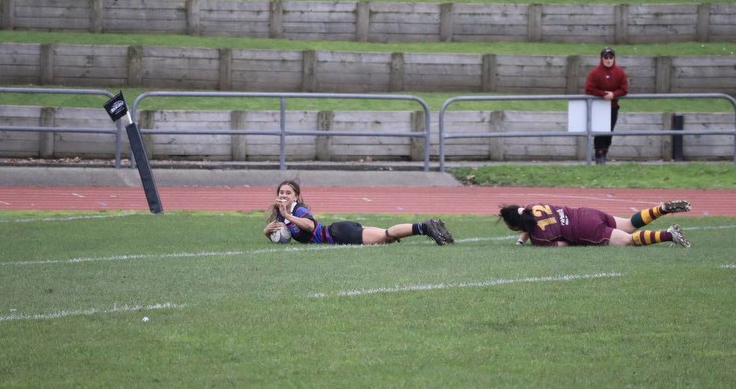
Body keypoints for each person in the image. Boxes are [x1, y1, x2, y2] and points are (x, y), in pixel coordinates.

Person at [263, 180, 454, 245]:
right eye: (281, 192)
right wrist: (267, 231)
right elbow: (282, 235)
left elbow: (310, 226)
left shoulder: (298, 210)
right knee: (385, 238)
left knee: (386, 235)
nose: (284, 195)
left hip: (339, 234)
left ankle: (425, 227)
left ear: (296, 196)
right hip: (340, 231)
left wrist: (288, 216)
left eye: (288, 193)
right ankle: (430, 226)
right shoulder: (282, 213)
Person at [498, 200, 691, 247]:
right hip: (587, 213)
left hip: (584, 229)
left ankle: (670, 234)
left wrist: (573, 241)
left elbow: (562, 245)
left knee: (627, 240)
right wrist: (521, 240)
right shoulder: (532, 206)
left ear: (516, 225)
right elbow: (526, 218)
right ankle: (662, 209)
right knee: (631, 224)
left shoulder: (539, 237)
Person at [585, 47, 629, 165]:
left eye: (611, 57)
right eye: (606, 57)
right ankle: (599, 155)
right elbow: (589, 89)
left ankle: (604, 152)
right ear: (601, 58)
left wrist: (614, 95)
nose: (608, 60)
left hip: (613, 107)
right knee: (600, 132)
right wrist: (603, 94)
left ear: (614, 58)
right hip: (599, 107)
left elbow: (624, 89)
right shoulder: (595, 73)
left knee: (609, 131)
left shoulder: (620, 72)